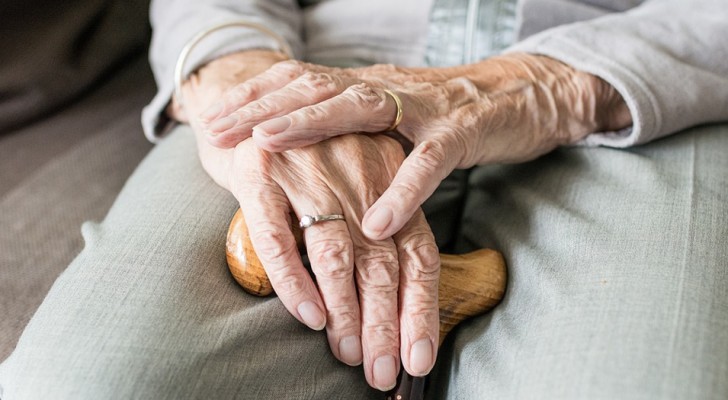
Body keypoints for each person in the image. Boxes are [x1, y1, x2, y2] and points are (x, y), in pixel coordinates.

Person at [1, 0, 727, 398]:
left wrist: (557, 84)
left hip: (634, 83)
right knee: (88, 383)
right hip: (313, 71)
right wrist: (242, 76)